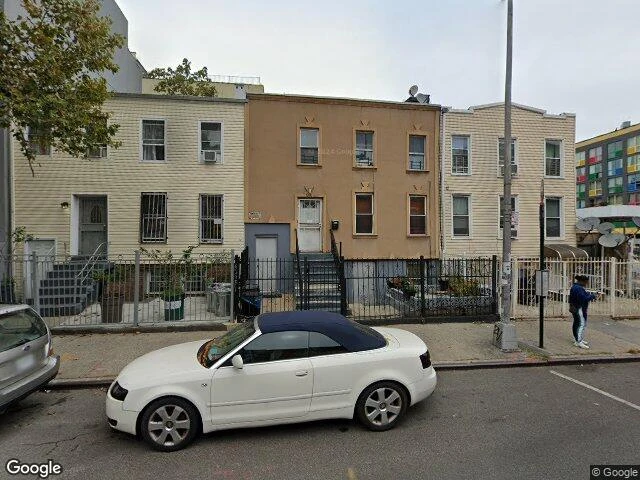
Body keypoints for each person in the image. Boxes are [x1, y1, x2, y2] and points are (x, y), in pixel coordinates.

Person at [568, 274, 598, 349]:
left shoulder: (575, 287)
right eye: (586, 282)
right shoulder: (578, 288)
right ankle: (579, 341)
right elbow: (583, 299)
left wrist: (589, 295)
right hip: (579, 308)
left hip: (575, 308)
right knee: (581, 324)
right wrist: (592, 296)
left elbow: (581, 296)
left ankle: (576, 338)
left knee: (576, 323)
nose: (586, 284)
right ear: (582, 281)